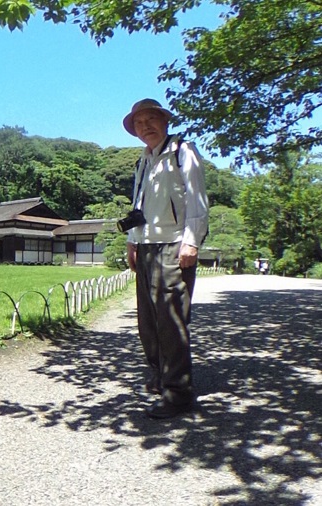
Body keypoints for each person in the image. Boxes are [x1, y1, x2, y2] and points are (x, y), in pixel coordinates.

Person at [122, 99, 209, 419]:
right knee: (148, 323)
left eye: (151, 119)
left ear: (164, 120)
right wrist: (132, 242)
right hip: (145, 247)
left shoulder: (182, 150)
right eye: (139, 122)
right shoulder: (143, 161)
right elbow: (138, 206)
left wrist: (192, 242)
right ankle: (160, 375)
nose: (145, 126)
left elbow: (197, 199)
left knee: (171, 323)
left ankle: (178, 393)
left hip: (174, 245)